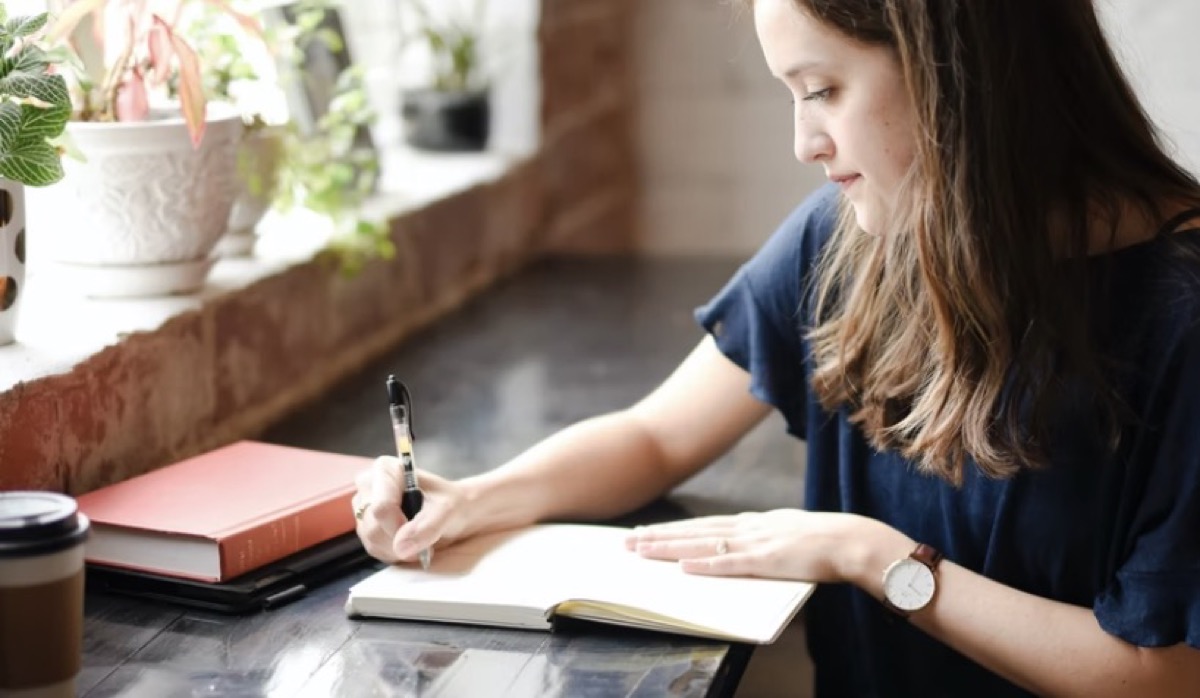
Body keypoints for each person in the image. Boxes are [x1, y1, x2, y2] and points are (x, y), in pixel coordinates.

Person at [353, 0, 1200, 694]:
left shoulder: (1182, 315)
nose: (805, 143)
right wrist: (477, 499)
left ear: (956, 70)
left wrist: (873, 557)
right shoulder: (853, 237)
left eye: (822, 89)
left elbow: (1159, 675)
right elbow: (656, 436)